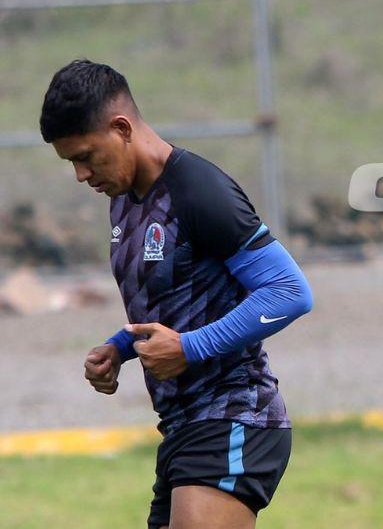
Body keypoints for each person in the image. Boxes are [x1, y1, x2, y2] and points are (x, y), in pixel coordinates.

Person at [39, 60, 314, 529]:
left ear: (121, 128)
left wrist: (189, 347)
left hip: (235, 416)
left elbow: (290, 291)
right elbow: (177, 298)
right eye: (71, 163)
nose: (82, 174)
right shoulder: (123, 200)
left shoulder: (198, 190)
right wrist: (120, 348)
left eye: (86, 156)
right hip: (183, 429)